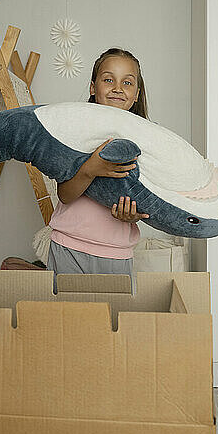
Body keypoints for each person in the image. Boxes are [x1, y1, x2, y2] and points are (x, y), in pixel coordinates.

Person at [47, 47, 150, 294]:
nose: (117, 87)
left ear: (136, 94)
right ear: (93, 87)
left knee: (110, 328)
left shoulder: (147, 141)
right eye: (108, 79)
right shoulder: (76, 133)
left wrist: (134, 215)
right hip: (67, 248)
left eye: (127, 82)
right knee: (62, 326)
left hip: (116, 254)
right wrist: (90, 169)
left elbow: (148, 199)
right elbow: (66, 195)